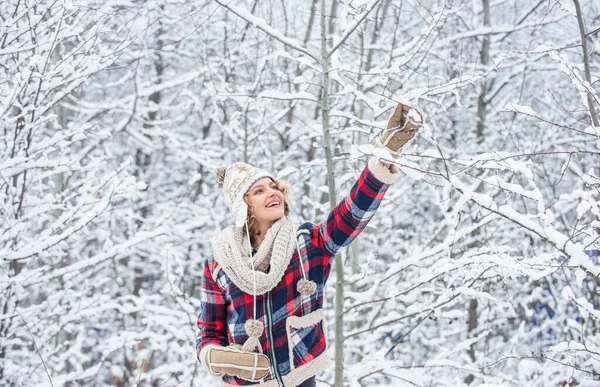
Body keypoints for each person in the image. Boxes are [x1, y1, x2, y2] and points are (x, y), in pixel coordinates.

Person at [196, 104, 423, 386]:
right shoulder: (218, 264)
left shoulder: (307, 242)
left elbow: (351, 216)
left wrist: (380, 163)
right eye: (259, 190)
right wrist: (214, 356)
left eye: (274, 186)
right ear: (245, 208)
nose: (273, 192)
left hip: (300, 378)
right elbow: (208, 332)